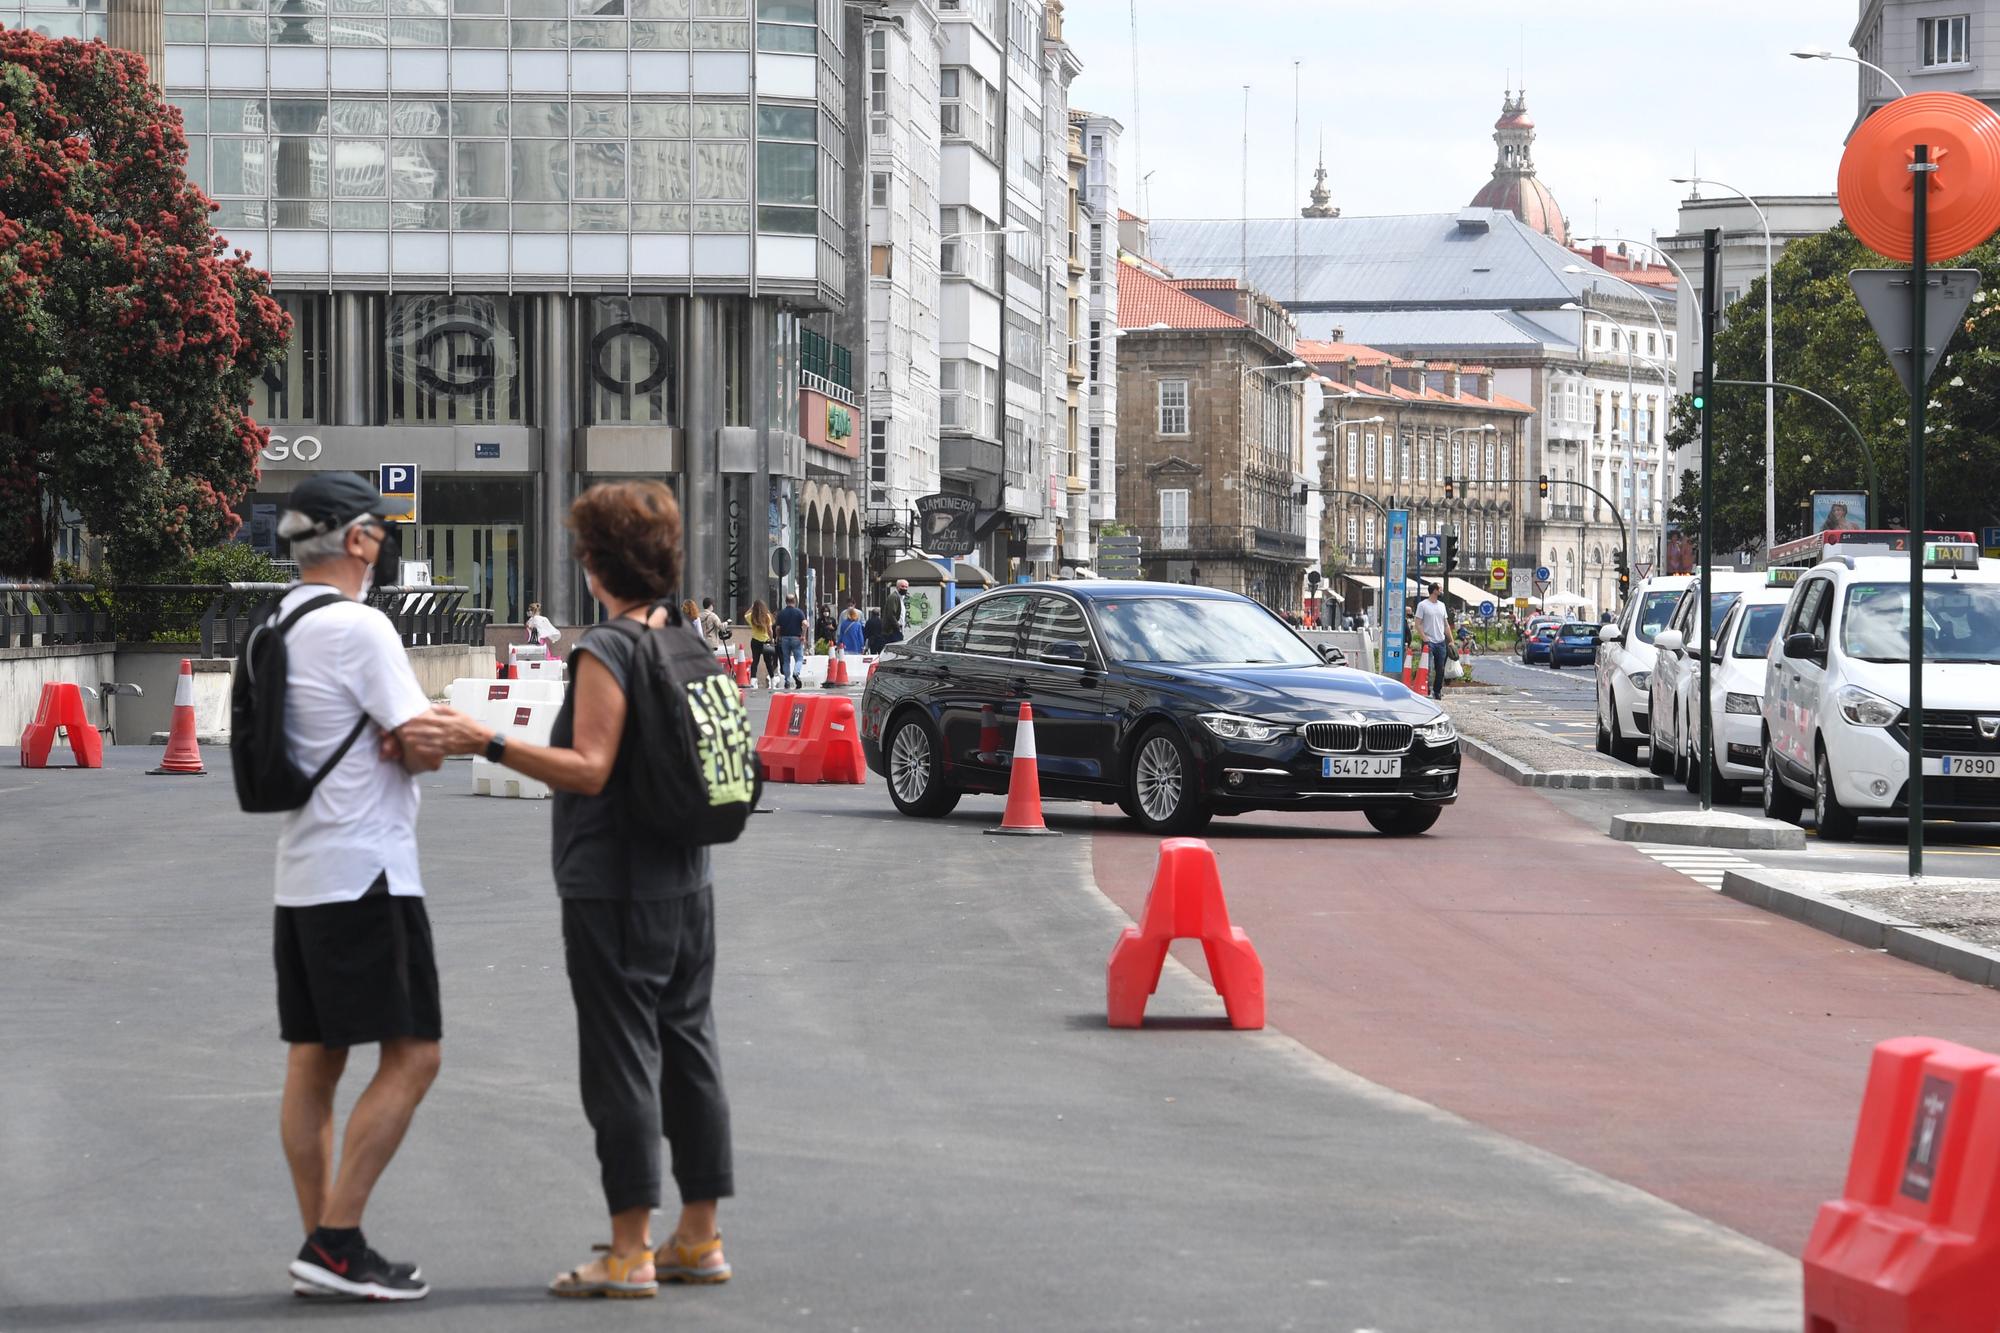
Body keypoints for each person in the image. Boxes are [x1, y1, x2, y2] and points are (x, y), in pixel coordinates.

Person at [428, 481, 734, 1300]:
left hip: (616, 886)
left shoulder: (607, 649)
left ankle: (629, 1249)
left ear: (597, 562)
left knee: (621, 1059)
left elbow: (590, 767)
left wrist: (484, 737)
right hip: (687, 878)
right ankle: (698, 1235)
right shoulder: (688, 643)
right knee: (689, 1049)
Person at [269, 473, 450, 1302]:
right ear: (357, 540)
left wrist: (399, 735)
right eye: (375, 533)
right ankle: (338, 1241)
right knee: (414, 1053)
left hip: (302, 870)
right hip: (369, 869)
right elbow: (421, 744)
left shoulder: (274, 626)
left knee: (317, 1056)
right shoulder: (360, 628)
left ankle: (321, 1244)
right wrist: (417, 739)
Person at [1415, 582, 1451, 701]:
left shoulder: (1442, 605)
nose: (1442, 591)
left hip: (1441, 641)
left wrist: (1451, 640)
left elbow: (1445, 625)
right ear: (1434, 590)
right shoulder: (1422, 605)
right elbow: (1418, 623)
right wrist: (1424, 638)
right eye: (1440, 589)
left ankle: (1437, 691)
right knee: (1428, 668)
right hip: (1429, 641)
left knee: (1440, 669)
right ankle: (1427, 689)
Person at [774, 595, 807, 689]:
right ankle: (796, 673)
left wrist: (778, 636)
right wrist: (803, 635)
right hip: (796, 638)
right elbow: (805, 624)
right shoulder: (799, 612)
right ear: (794, 601)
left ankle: (787, 681)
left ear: (786, 601)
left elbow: (778, 628)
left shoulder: (781, 613)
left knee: (786, 660)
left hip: (784, 638)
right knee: (799, 659)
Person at [744, 600, 776, 688]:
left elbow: (745, 615)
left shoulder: (751, 616)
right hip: (766, 641)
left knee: (755, 661)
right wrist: (772, 639)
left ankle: (753, 681)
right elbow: (770, 630)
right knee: (768, 662)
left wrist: (751, 607)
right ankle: (772, 681)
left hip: (755, 641)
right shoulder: (767, 617)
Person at [882, 579, 908, 645]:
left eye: (906, 587)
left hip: (896, 630)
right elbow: (891, 614)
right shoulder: (894, 597)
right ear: (897, 587)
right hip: (893, 631)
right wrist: (898, 627)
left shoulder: (900, 598)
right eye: (902, 586)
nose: (904, 588)